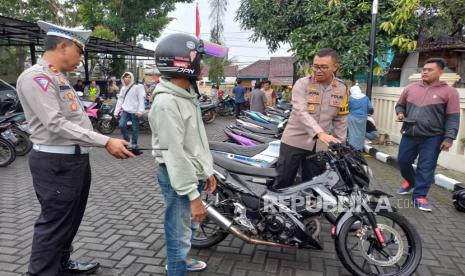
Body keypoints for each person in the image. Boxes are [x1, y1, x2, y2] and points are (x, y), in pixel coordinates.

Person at [15, 21, 134, 276]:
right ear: (63, 46)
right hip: (55, 163)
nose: (81, 59)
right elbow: (55, 124)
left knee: (70, 220)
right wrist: (105, 141)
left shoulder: (58, 76)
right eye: (79, 51)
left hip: (74, 161)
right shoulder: (37, 77)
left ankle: (61, 265)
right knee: (54, 224)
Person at [149, 33, 218, 275]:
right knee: (179, 231)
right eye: (199, 58)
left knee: (188, 228)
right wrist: (193, 195)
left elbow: (195, 142)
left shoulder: (187, 95)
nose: (204, 64)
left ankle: (181, 261)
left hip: (190, 175)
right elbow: (175, 155)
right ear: (183, 63)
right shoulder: (167, 103)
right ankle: (176, 269)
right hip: (178, 177)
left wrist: (207, 171)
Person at [274, 48, 349, 189]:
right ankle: (276, 208)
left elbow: (341, 118)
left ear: (335, 67)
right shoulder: (302, 84)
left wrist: (340, 145)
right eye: (315, 66)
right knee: (284, 181)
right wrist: (319, 133)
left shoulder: (342, 88)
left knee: (314, 185)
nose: (318, 70)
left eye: (324, 67)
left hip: (320, 147)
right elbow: (300, 111)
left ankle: (306, 210)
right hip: (294, 142)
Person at [396, 58, 460, 212]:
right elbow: (400, 105)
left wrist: (449, 137)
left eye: (429, 69)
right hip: (410, 133)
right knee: (402, 161)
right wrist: (400, 113)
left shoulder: (450, 92)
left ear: (440, 72)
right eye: (424, 69)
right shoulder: (411, 88)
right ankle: (411, 182)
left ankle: (419, 196)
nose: (425, 72)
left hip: (433, 137)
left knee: (426, 167)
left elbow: (453, 117)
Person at [114, 72, 145, 147]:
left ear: (132, 78)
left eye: (129, 77)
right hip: (125, 110)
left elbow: (141, 99)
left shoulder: (137, 87)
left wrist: (140, 111)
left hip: (135, 112)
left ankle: (134, 143)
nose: (127, 78)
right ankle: (127, 140)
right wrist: (116, 112)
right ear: (123, 78)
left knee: (135, 129)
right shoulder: (123, 88)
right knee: (121, 125)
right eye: (125, 77)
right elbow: (120, 100)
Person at [348, 84, 373, 151]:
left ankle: (352, 148)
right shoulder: (365, 97)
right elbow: (370, 108)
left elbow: (348, 108)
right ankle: (360, 148)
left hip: (352, 118)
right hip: (363, 118)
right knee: (361, 133)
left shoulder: (350, 98)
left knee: (352, 133)